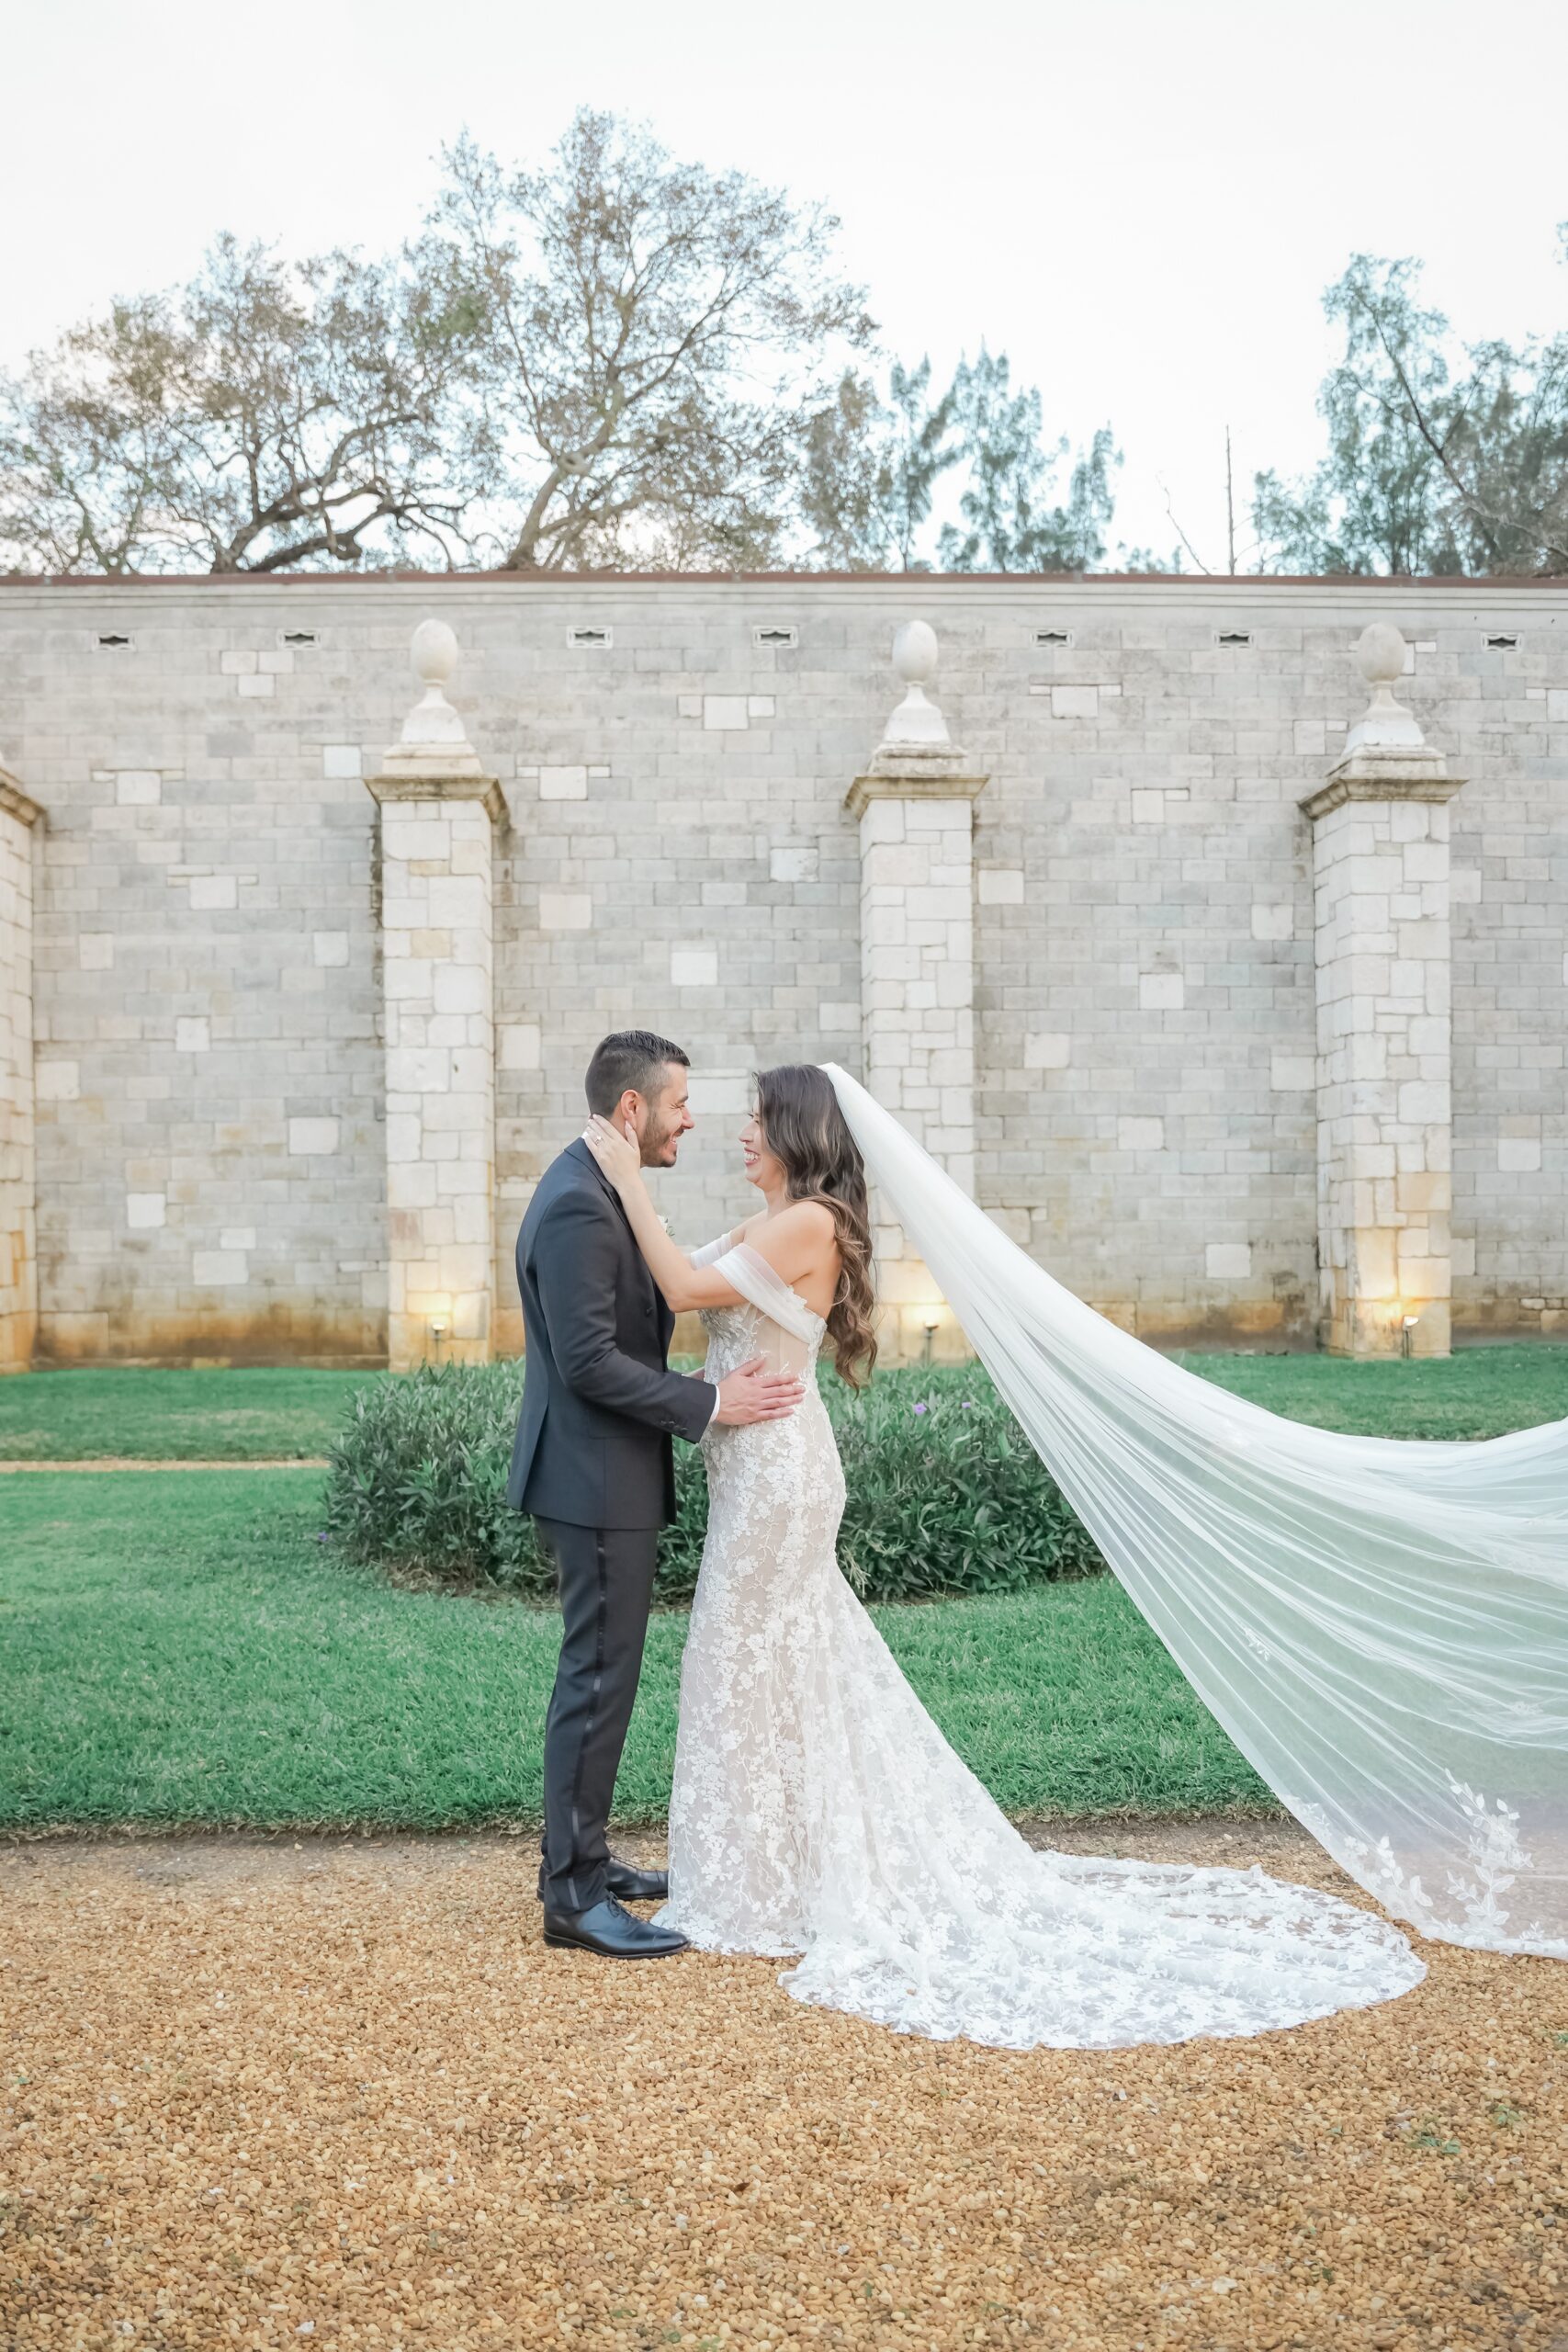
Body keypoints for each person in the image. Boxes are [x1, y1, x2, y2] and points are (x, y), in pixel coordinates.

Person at [580, 1063, 1427, 2050]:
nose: (741, 1134)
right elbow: (697, 1298)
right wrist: (692, 1378)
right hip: (754, 1467)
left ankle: (759, 1884)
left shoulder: (810, 1221)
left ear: (800, 1135)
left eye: (758, 1121)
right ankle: (764, 1870)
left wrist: (622, 1171)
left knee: (744, 1657)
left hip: (780, 1478)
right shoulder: (774, 1221)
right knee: (765, 1663)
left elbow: (681, 1283)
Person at [508, 1030, 805, 1961]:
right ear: (633, 1110)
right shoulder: (577, 1206)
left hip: (609, 1474)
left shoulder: (600, 1190)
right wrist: (714, 1403)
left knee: (607, 1677)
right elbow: (591, 1362)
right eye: (680, 1103)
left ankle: (585, 1855)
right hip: (593, 1479)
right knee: (596, 1682)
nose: (693, 1118)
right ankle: (573, 1895)